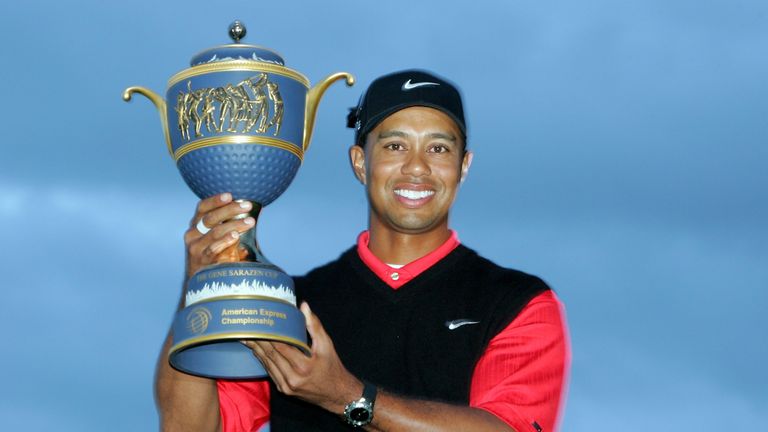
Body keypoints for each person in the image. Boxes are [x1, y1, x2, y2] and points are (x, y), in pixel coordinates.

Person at [155, 70, 570, 431]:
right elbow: (189, 428)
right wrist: (200, 289)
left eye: (439, 148)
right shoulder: (290, 308)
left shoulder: (518, 303)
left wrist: (347, 396)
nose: (417, 166)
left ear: (464, 165)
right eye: (394, 146)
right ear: (359, 162)